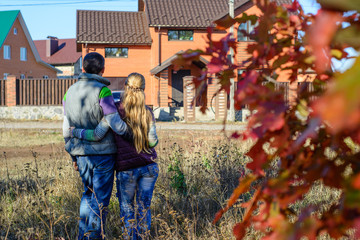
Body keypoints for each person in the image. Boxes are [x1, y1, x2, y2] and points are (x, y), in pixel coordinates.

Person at [71, 73, 159, 240]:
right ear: (144, 89)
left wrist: (76, 131)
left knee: (127, 210)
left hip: (127, 171)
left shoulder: (115, 111)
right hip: (149, 168)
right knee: (143, 209)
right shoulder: (147, 112)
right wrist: (141, 137)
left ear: (125, 86)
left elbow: (97, 134)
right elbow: (153, 142)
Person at [62, 52, 131, 240]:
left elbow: (65, 128)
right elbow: (114, 122)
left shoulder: (69, 91)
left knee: (88, 194)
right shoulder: (103, 90)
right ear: (103, 70)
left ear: (82, 69)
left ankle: (82, 236)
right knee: (100, 200)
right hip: (103, 155)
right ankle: (94, 237)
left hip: (81, 153)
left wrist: (72, 155)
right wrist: (130, 134)